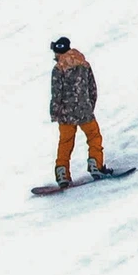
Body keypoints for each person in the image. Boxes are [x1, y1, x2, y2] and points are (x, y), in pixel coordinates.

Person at [48, 36, 108, 188]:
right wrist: (89, 105)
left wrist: (55, 113)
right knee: (94, 136)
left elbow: (56, 94)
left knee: (65, 142)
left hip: (65, 114)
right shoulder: (84, 64)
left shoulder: (58, 69)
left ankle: (63, 174)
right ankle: (96, 164)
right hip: (84, 110)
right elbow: (92, 88)